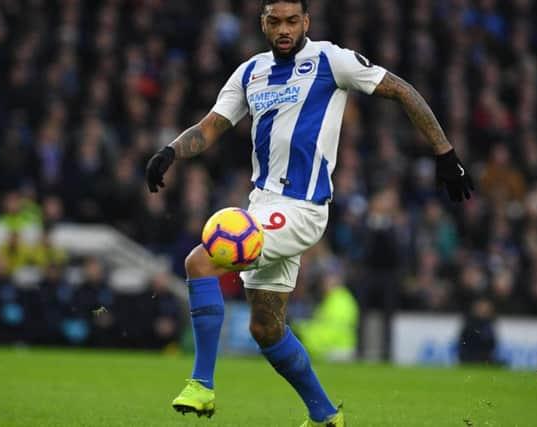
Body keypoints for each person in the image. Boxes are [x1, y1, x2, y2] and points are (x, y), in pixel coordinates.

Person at [145, 1, 474, 425]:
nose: (284, 29)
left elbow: (402, 89)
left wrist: (445, 154)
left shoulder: (329, 60)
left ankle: (202, 385)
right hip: (262, 206)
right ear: (263, 23)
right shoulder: (249, 72)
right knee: (266, 328)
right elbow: (211, 125)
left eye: (292, 21)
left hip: (302, 209)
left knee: (200, 260)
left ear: (306, 22)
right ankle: (324, 415)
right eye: (275, 21)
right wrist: (171, 151)